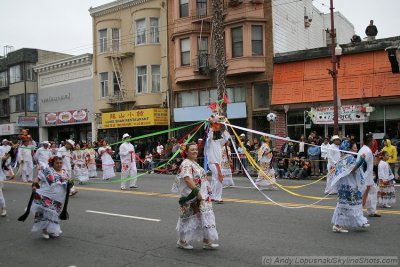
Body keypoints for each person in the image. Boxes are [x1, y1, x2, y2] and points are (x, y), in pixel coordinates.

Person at [172, 142, 219, 250]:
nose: (195, 151)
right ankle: (182, 241)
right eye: (192, 149)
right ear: (186, 152)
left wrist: (206, 190)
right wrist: (197, 192)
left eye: (196, 149)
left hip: (202, 196)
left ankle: (207, 241)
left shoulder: (194, 163)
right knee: (187, 218)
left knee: (204, 217)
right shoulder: (186, 163)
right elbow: (187, 179)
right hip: (192, 196)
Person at [30, 156, 69, 239]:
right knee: (45, 213)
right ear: (53, 163)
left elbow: (67, 183)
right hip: (45, 196)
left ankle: (52, 230)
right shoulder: (47, 171)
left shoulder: (65, 172)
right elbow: (37, 178)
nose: (59, 164)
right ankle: (44, 230)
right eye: (57, 163)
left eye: (61, 163)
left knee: (54, 214)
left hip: (58, 199)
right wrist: (34, 185)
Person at [330, 153, 370, 233]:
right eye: (354, 147)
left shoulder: (344, 158)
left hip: (351, 184)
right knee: (344, 206)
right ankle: (337, 225)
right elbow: (352, 169)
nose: (356, 149)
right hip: (348, 185)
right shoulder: (349, 158)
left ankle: (360, 222)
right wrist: (361, 160)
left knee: (355, 204)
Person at [206, 124, 230, 204]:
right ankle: (218, 197)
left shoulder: (219, 142)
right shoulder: (209, 142)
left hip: (218, 164)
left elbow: (226, 138)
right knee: (219, 177)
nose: (215, 135)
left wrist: (223, 129)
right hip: (212, 163)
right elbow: (209, 135)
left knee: (214, 179)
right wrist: (212, 126)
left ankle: (212, 195)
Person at [358, 134, 381, 217]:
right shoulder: (367, 150)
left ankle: (371, 211)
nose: (374, 142)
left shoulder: (364, 149)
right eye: (373, 140)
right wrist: (364, 178)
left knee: (373, 192)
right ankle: (358, 214)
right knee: (364, 196)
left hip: (368, 177)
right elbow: (363, 165)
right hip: (366, 177)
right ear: (369, 141)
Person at [0, 148, 9, 217]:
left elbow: (6, 157)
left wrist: (12, 149)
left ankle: (3, 208)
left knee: (0, 196)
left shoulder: (1, 158)